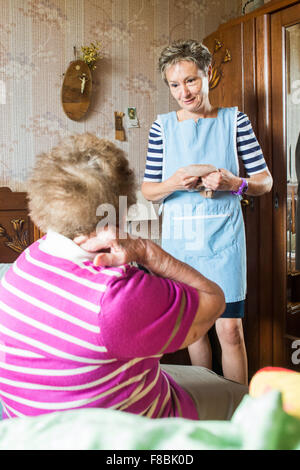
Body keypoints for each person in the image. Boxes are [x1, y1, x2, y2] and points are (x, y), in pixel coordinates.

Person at [0, 133, 247, 421]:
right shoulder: (119, 294)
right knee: (244, 401)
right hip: (124, 433)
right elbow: (214, 301)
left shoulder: (25, 261)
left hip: (29, 426)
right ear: (120, 209)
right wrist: (148, 252)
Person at [141, 40, 273, 386]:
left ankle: (239, 415)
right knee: (195, 332)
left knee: (230, 331)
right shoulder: (162, 128)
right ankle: (210, 411)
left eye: (191, 80)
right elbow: (149, 190)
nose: (183, 92)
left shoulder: (235, 122)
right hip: (181, 245)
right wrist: (173, 182)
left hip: (224, 241)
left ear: (208, 74)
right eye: (174, 84)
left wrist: (235, 183)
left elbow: (265, 181)